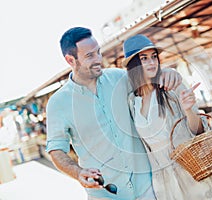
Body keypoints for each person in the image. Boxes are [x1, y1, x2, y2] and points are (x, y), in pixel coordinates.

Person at [45, 27, 182, 200]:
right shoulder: (58, 103)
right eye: (89, 56)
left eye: (98, 52)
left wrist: (168, 72)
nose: (98, 60)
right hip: (105, 195)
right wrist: (78, 173)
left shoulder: (119, 78)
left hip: (148, 188)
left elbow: (147, 78)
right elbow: (56, 150)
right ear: (70, 60)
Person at [123, 34, 212, 200]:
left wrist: (189, 110)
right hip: (167, 182)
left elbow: (198, 131)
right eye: (144, 58)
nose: (152, 62)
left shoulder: (171, 86)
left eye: (154, 56)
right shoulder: (132, 101)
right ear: (134, 65)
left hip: (194, 171)